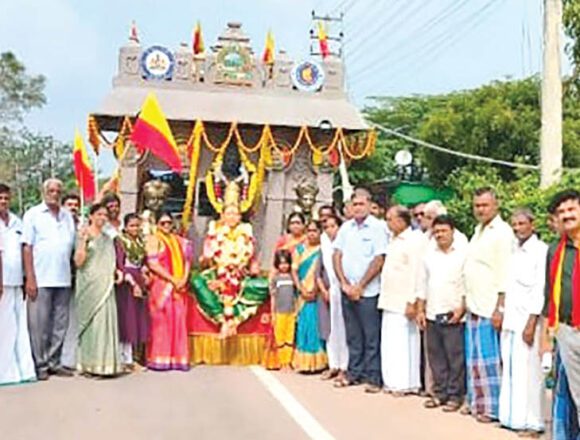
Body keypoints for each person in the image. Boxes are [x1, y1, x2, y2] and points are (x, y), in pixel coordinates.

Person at [463, 187, 514, 423]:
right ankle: (478, 403)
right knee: (475, 359)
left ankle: (492, 409)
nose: (480, 209)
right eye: (477, 206)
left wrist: (500, 308)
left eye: (484, 205)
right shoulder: (478, 230)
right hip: (474, 305)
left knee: (490, 360)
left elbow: (505, 274)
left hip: (490, 306)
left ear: (496, 206)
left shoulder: (502, 233)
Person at [333, 187, 388, 393]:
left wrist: (361, 286)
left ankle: (373, 376)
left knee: (371, 336)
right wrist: (344, 283)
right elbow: (337, 255)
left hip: (369, 291)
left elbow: (379, 259)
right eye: (354, 204)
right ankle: (354, 372)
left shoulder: (378, 227)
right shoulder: (346, 228)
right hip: (347, 290)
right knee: (353, 335)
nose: (357, 208)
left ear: (369, 205)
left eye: (361, 204)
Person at [497, 208, 546, 436]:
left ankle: (533, 423)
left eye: (521, 224)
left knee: (530, 374)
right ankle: (512, 418)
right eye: (514, 224)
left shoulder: (540, 251)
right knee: (511, 369)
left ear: (532, 224)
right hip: (510, 319)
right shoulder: (513, 250)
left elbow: (540, 291)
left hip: (528, 322)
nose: (517, 228)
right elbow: (507, 285)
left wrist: (531, 323)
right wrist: (501, 310)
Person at [23, 178, 76, 380]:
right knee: (39, 325)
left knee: (60, 324)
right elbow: (27, 247)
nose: (54, 194)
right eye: (51, 190)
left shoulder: (66, 216)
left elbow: (71, 247)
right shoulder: (33, 215)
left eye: (58, 191)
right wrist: (30, 278)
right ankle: (40, 364)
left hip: (63, 278)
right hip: (41, 278)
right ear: (44, 192)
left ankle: (55, 362)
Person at [416, 215, 467, 412]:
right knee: (436, 357)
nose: (440, 235)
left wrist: (461, 308)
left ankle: (455, 396)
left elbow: (466, 284)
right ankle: (439, 393)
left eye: (443, 231)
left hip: (454, 313)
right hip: (432, 313)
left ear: (452, 231)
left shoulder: (462, 254)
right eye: (436, 231)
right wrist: (420, 309)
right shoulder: (429, 255)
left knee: (455, 357)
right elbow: (422, 284)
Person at [541, 190, 580, 431]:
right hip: (566, 331)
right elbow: (548, 296)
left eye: (571, 209)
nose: (566, 215)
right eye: (561, 212)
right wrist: (545, 339)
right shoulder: (556, 250)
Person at [74, 203, 123, 377]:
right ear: (91, 216)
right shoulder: (83, 234)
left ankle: (106, 365)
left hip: (106, 284)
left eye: (105, 215)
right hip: (89, 284)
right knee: (91, 325)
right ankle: (89, 365)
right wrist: (82, 242)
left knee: (105, 323)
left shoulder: (107, 238)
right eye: (99, 214)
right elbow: (78, 262)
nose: (102, 218)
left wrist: (117, 271)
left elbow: (111, 260)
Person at [379, 205, 423, 396]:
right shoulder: (393, 239)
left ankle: (405, 383)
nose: (388, 222)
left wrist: (412, 300)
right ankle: (392, 381)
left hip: (404, 300)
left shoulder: (414, 240)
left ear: (402, 220)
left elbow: (416, 271)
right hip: (390, 298)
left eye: (390, 219)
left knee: (405, 343)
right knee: (391, 342)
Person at [146, 211, 192, 371]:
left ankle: (177, 358)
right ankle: (159, 358)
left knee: (178, 320)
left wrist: (183, 279)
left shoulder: (179, 241)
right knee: (161, 322)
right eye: (162, 223)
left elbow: (187, 261)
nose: (166, 226)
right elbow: (153, 265)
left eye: (168, 223)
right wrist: (172, 279)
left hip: (179, 286)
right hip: (162, 285)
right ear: (157, 225)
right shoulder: (153, 239)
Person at [0, 183, 36, 385]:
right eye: (0, 198)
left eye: (6, 198)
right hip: (1, 283)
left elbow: (25, 250)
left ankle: (21, 370)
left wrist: (27, 278)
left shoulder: (16, 221)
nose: (3, 202)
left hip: (15, 282)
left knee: (17, 326)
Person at [115, 213, 150, 371]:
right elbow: (119, 263)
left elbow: (142, 261)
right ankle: (125, 359)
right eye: (132, 226)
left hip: (138, 278)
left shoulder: (140, 241)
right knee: (127, 320)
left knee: (137, 319)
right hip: (127, 282)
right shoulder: (121, 242)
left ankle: (133, 357)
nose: (135, 228)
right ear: (125, 226)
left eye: (137, 225)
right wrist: (132, 282)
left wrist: (144, 271)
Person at [292, 220, 327, 372]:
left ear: (320, 233)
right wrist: (301, 289)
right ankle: (303, 362)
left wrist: (317, 291)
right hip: (303, 294)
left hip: (317, 294)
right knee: (304, 326)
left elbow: (324, 273)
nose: (312, 234)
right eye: (309, 231)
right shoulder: (299, 250)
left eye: (315, 231)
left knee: (316, 326)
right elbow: (294, 271)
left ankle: (318, 362)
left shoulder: (324, 250)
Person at [318, 215, 348, 382]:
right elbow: (319, 270)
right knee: (331, 329)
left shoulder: (345, 243)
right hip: (329, 291)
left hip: (342, 288)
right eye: (327, 227)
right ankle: (333, 364)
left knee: (343, 329)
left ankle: (344, 366)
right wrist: (323, 289)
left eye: (333, 226)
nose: (330, 230)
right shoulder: (323, 245)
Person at [60, 192, 81, 373]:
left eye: (75, 204)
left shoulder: (83, 227)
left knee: (74, 319)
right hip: (58, 278)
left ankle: (71, 358)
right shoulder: (59, 225)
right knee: (60, 319)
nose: (73, 207)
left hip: (78, 280)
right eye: (69, 204)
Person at [270, 250, 296, 369]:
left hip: (291, 312)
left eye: (286, 263)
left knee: (289, 337)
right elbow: (273, 297)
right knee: (280, 337)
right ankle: (282, 361)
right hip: (279, 312)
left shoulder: (293, 278)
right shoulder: (275, 279)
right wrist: (273, 313)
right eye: (281, 263)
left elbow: (295, 296)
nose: (284, 266)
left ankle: (288, 361)